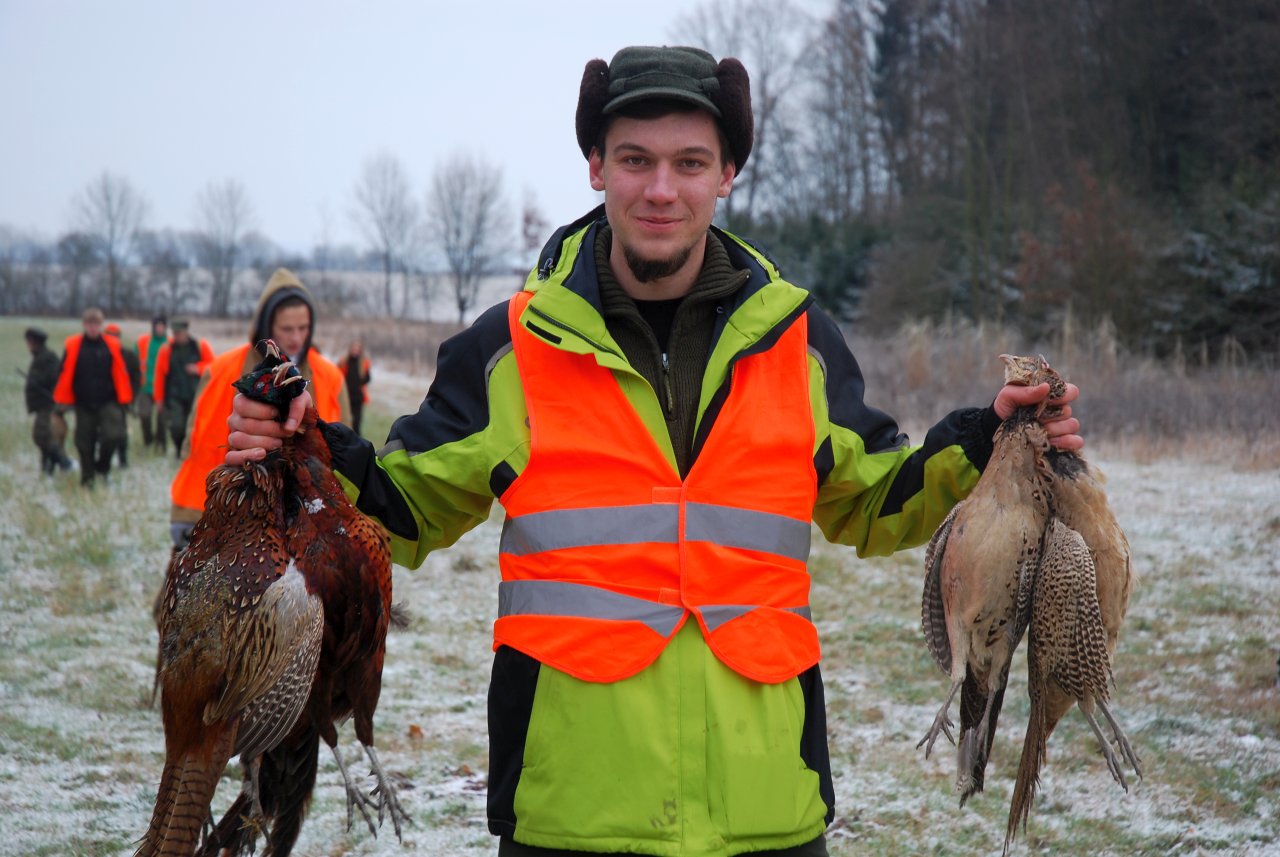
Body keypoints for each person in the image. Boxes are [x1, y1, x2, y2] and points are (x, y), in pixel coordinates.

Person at [227, 47, 1082, 857]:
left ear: (728, 174)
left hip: (767, 811)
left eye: (690, 162)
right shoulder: (512, 347)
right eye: (635, 160)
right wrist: (303, 443)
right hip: (571, 815)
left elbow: (876, 500)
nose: (662, 189)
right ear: (596, 166)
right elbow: (401, 509)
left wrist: (994, 437)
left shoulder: (800, 342)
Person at [170, 268, 350, 551]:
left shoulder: (331, 379)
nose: (297, 337)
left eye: (303, 328)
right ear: (267, 326)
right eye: (287, 329)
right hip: (232, 520)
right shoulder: (223, 371)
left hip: (308, 529)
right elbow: (202, 447)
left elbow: (343, 461)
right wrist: (190, 515)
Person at [54, 307, 133, 487]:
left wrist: (125, 398)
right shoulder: (73, 345)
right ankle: (87, 479)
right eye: (89, 324)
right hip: (83, 402)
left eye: (96, 324)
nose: (93, 328)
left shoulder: (112, 345)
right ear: (84, 325)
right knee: (84, 443)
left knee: (113, 435)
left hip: (108, 400)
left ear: (101, 325)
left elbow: (122, 372)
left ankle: (103, 469)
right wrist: (63, 400)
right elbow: (63, 373)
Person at [152, 318, 215, 459]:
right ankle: (179, 449)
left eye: (179, 333)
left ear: (186, 332)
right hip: (175, 397)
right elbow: (159, 376)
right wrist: (159, 399)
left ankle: (192, 452)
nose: (176, 336)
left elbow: (215, 367)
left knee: (194, 427)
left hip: (196, 396)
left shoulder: (200, 346)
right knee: (176, 427)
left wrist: (198, 368)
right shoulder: (166, 350)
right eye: (174, 333)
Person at [23, 327, 73, 475]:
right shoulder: (40, 356)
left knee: (42, 436)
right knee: (45, 436)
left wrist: (38, 383)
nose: (28, 345)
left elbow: (55, 379)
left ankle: (65, 463)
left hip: (48, 404)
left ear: (34, 342)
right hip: (43, 405)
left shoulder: (47, 357)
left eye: (29, 341)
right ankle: (47, 470)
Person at [104, 322, 142, 468]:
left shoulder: (129, 356)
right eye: (109, 336)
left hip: (121, 400)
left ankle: (122, 459)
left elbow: (136, 378)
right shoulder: (99, 353)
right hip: (102, 400)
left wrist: (131, 396)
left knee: (121, 432)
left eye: (115, 336)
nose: (112, 339)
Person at [135, 315, 168, 453]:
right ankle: (148, 440)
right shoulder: (142, 341)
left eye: (162, 326)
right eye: (157, 326)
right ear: (153, 327)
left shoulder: (169, 344)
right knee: (145, 415)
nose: (159, 329)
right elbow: (133, 361)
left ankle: (160, 443)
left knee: (162, 419)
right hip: (145, 386)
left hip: (163, 388)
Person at [341, 339, 372, 435]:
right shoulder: (344, 361)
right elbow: (338, 377)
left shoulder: (364, 363)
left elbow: (368, 378)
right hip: (346, 396)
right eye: (354, 348)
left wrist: (359, 382)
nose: (355, 350)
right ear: (350, 349)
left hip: (358, 397)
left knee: (357, 423)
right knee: (345, 420)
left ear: (360, 350)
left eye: (357, 348)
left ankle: (357, 440)